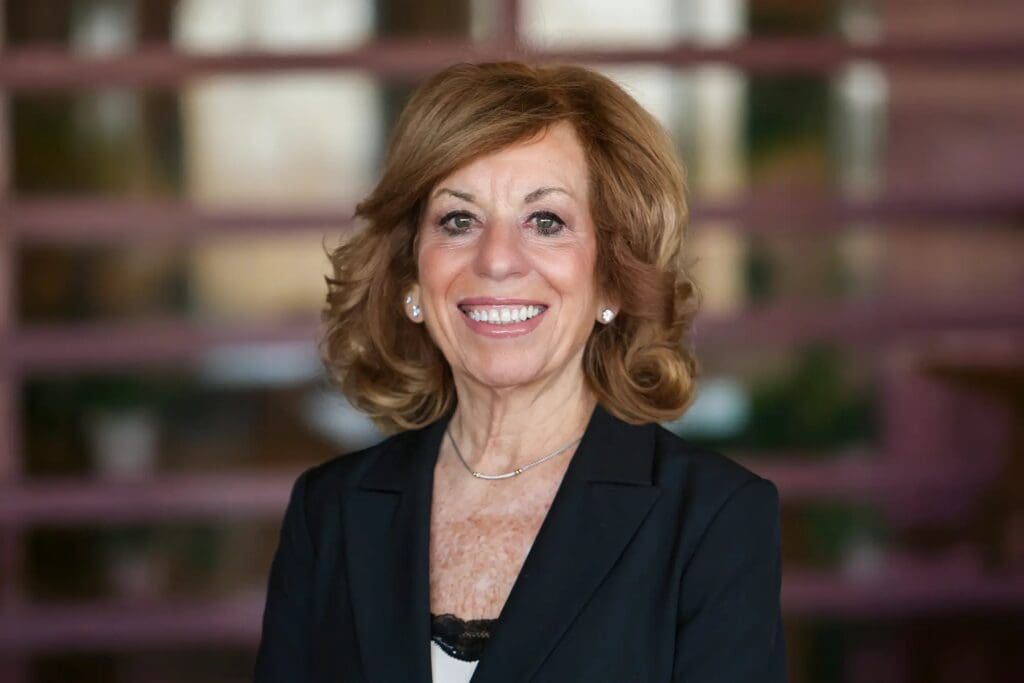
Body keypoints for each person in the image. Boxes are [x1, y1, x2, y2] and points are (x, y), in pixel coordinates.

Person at [255, 61, 787, 683]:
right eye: (459, 220)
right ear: (410, 278)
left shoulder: (714, 520)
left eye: (545, 221)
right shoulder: (329, 512)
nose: (497, 260)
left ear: (611, 279)